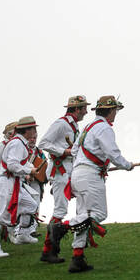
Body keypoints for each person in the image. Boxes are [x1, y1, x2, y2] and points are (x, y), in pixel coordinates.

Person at [67, 95, 134, 273]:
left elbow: (74, 150)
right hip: (90, 175)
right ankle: (61, 227)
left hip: (78, 173)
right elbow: (113, 153)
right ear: (110, 111)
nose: (116, 114)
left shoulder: (87, 127)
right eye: (115, 111)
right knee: (98, 213)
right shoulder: (104, 128)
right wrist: (127, 165)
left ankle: (77, 258)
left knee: (84, 214)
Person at [38, 95, 88, 262]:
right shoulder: (61, 124)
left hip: (69, 169)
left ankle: (76, 241)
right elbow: (43, 143)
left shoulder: (73, 126)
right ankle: (48, 251)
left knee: (80, 201)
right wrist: (63, 151)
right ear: (76, 109)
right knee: (60, 210)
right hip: (59, 170)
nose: (86, 112)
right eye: (83, 109)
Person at [0, 116, 41, 259]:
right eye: (33, 128)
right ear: (26, 130)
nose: (35, 132)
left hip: (14, 182)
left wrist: (29, 170)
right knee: (4, 214)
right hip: (8, 181)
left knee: (31, 205)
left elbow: (19, 164)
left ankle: (21, 234)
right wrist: (30, 171)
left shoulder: (20, 143)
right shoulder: (17, 144)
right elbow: (12, 165)